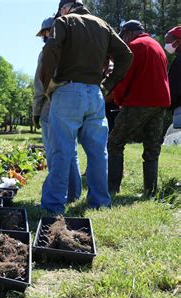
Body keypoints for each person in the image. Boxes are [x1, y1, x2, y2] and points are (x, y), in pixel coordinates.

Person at [40, 0, 133, 214]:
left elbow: (51, 49)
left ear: (65, 8)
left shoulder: (64, 21)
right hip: (95, 94)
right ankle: (100, 202)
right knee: (98, 151)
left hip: (67, 91)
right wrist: (107, 85)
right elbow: (126, 55)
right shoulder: (102, 25)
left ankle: (54, 204)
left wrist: (48, 85)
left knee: (61, 150)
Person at [108, 20, 171, 197]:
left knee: (114, 142)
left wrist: (119, 99)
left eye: (123, 36)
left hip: (140, 101)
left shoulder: (134, 47)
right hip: (161, 102)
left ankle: (112, 188)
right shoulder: (157, 46)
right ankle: (150, 191)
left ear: (128, 32)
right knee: (152, 147)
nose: (124, 40)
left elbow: (124, 77)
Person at [33, 16, 81, 203]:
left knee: (54, 152)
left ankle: (57, 195)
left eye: (44, 33)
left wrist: (36, 110)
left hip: (50, 105)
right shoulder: (73, 50)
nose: (44, 36)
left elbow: (39, 83)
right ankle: (74, 194)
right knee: (72, 150)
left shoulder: (46, 51)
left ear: (48, 32)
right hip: (73, 102)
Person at [165, 26, 181, 129]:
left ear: (178, 41)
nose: (166, 45)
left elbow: (175, 87)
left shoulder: (179, 61)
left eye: (168, 41)